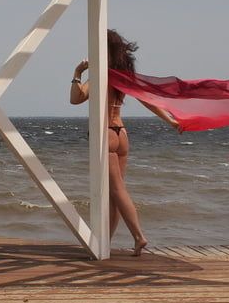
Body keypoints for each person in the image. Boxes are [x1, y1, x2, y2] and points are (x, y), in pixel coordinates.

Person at [69, 29, 180, 256]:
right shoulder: (123, 76)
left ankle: (139, 236)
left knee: (117, 190)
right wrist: (169, 120)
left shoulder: (102, 76)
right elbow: (147, 100)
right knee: (114, 193)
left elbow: (75, 99)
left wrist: (78, 72)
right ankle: (105, 243)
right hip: (121, 134)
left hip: (105, 134)